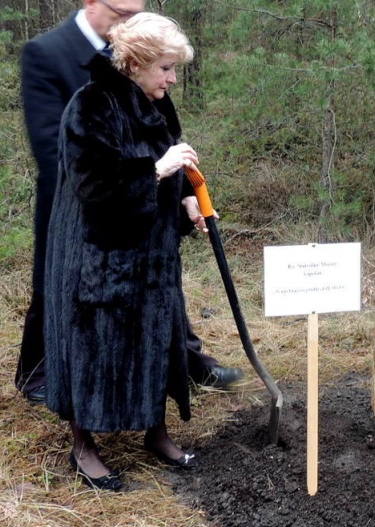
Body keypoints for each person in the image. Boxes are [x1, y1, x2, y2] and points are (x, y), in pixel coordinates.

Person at [17, 0, 242, 404]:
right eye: (121, 12)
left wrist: (183, 200)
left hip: (137, 202)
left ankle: (179, 366)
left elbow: (164, 144)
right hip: (75, 203)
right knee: (60, 296)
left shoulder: (148, 74)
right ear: (92, 4)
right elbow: (54, 149)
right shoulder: (49, 54)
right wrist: (108, 191)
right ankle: (44, 376)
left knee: (159, 292)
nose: (128, 20)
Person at [44, 12, 207, 490]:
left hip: (151, 258)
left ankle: (155, 432)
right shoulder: (90, 105)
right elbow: (94, 188)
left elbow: (167, 173)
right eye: (166, 68)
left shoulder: (157, 104)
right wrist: (156, 171)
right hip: (97, 256)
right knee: (91, 347)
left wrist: (184, 204)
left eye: (175, 69)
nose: (173, 78)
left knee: (156, 338)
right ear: (135, 62)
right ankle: (84, 445)